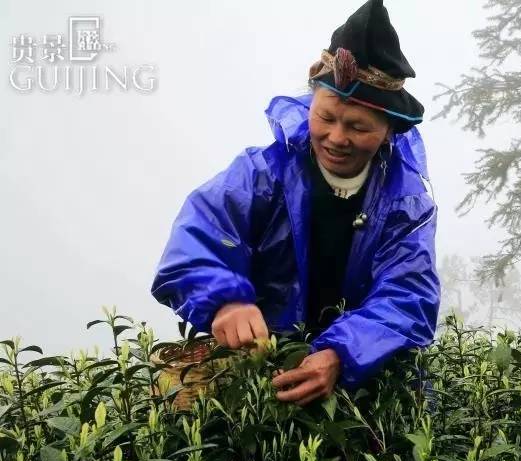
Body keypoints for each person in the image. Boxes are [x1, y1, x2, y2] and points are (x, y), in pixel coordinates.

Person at [151, 0, 439, 406]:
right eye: (325, 117)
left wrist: (341, 353)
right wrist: (226, 302)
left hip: (357, 374)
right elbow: (197, 240)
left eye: (358, 126)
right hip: (262, 364)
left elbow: (408, 296)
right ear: (310, 106)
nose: (337, 138)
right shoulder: (260, 175)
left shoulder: (405, 205)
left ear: (389, 131)